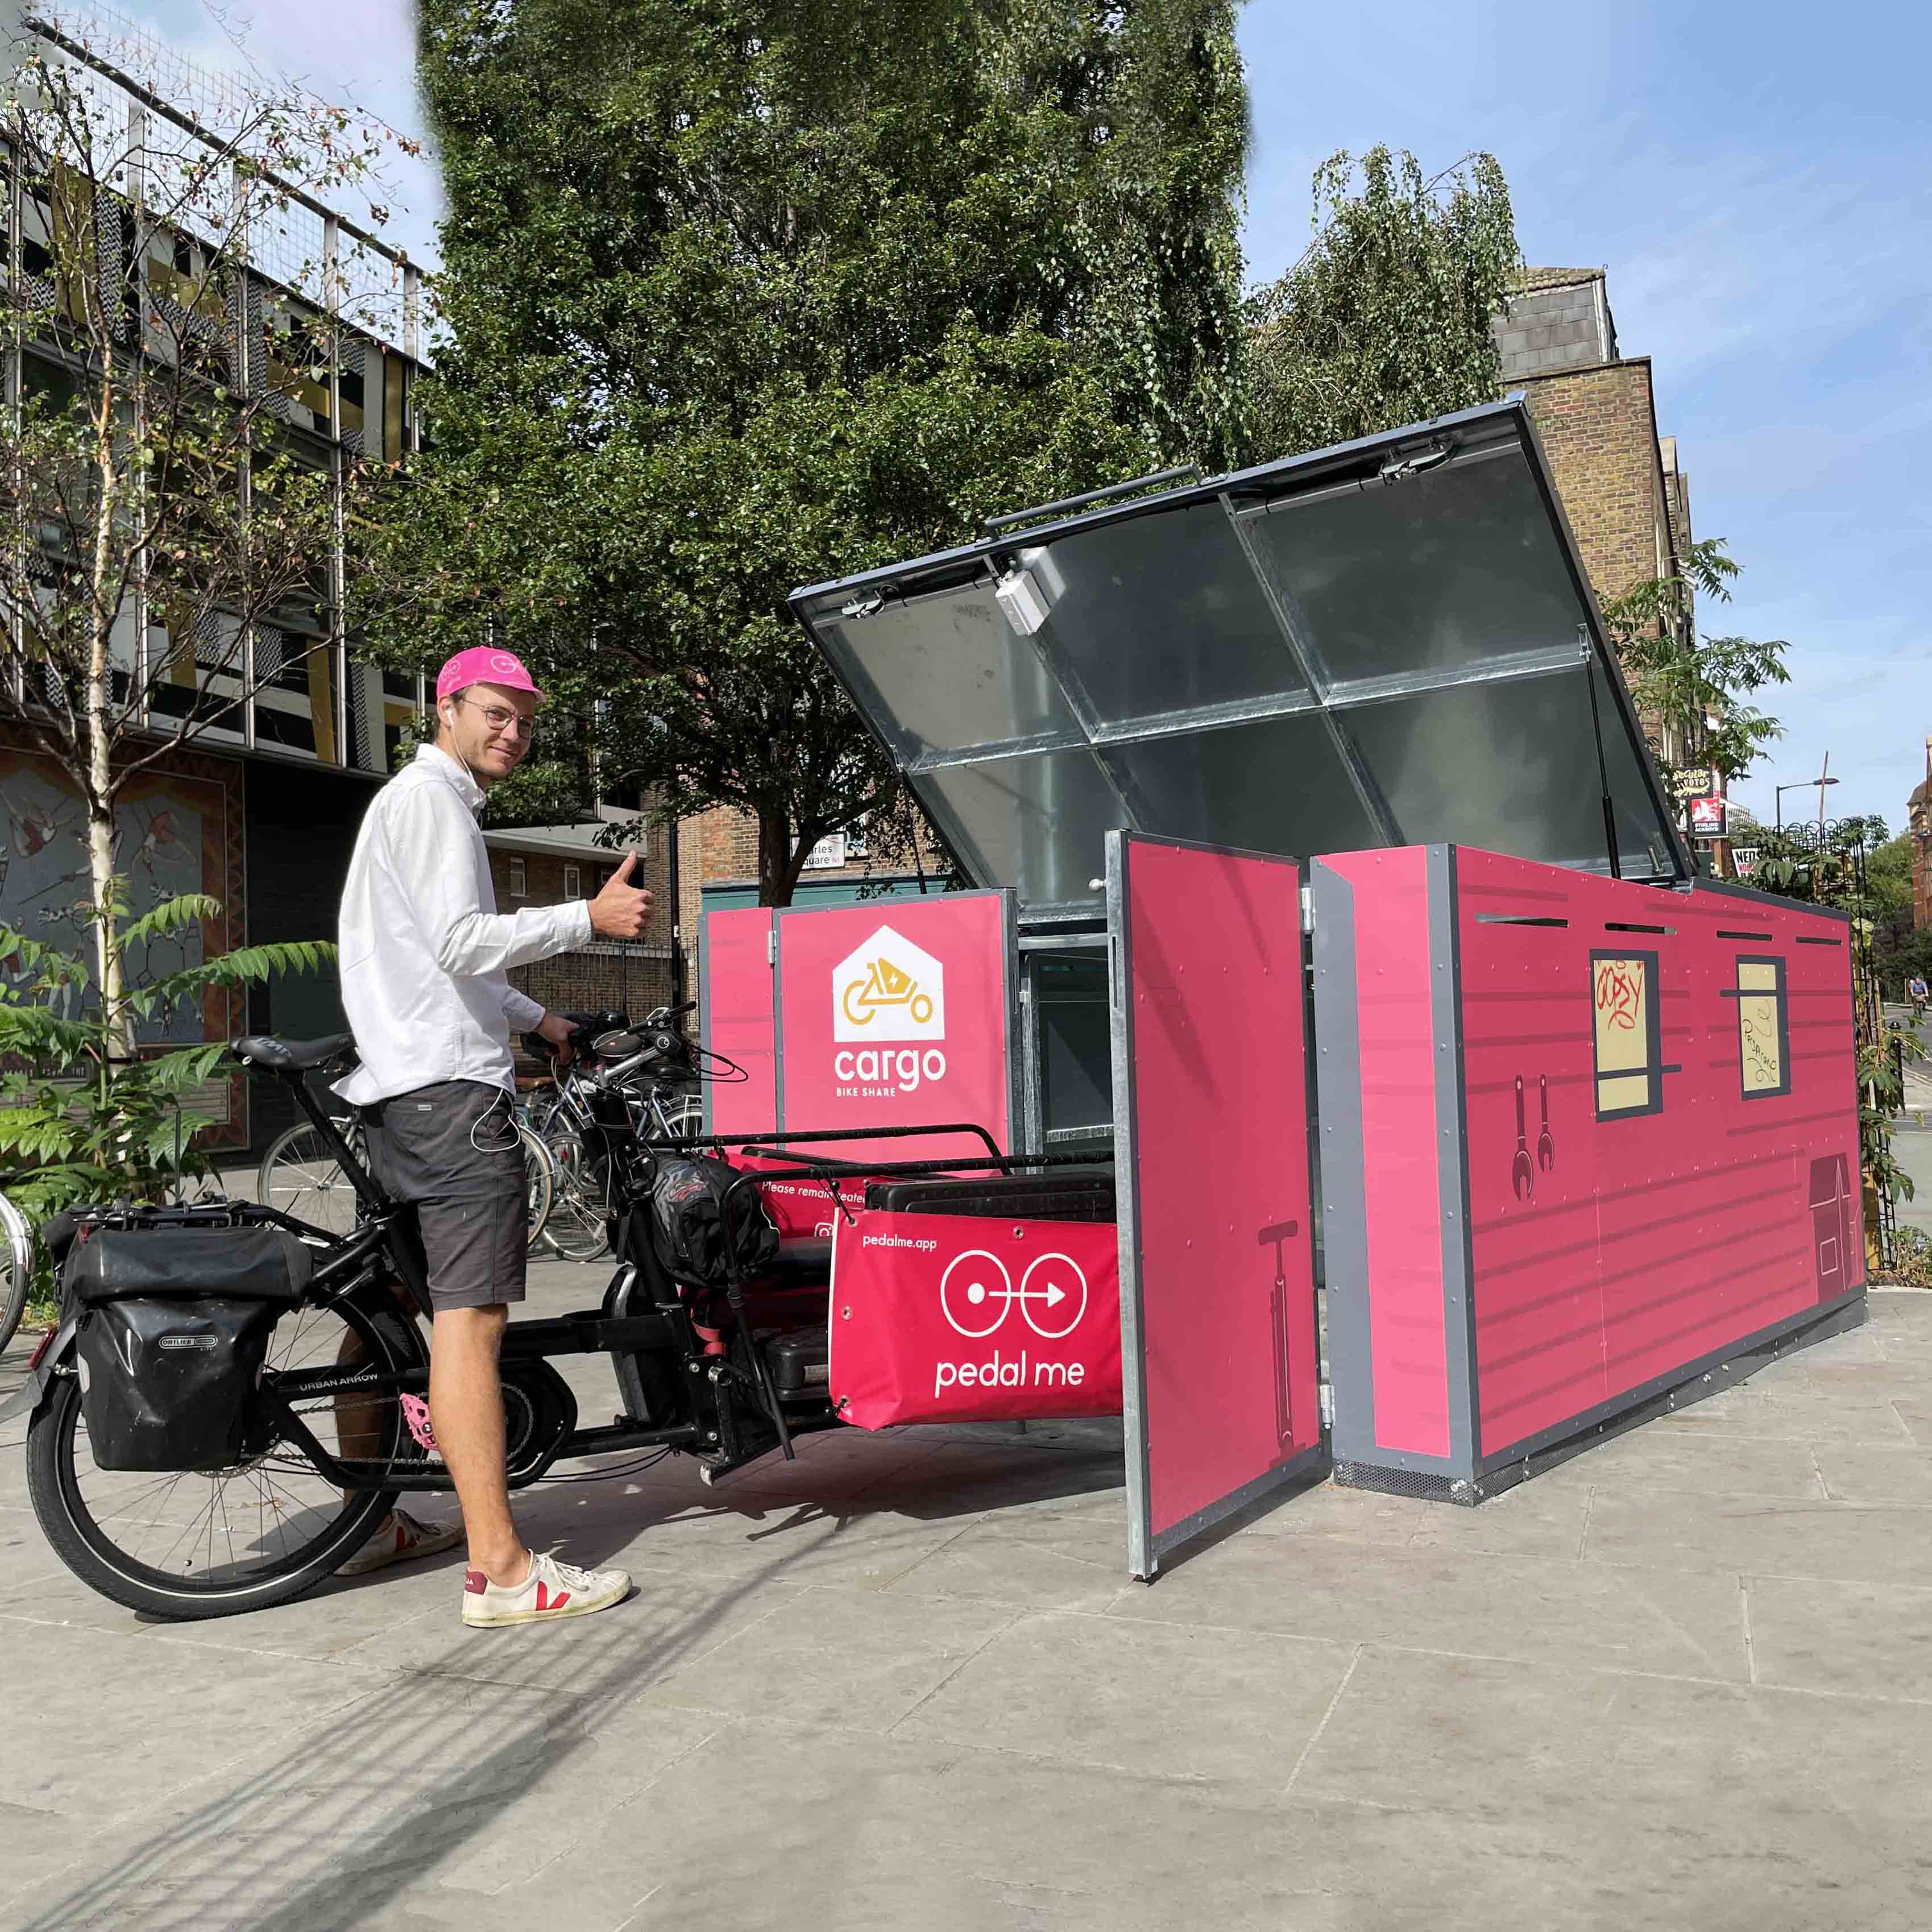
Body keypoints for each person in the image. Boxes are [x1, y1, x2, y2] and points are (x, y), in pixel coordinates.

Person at [333, 646, 653, 1628]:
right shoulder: (431, 801)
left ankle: (370, 1519)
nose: (511, 730)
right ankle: (503, 1569)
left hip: (398, 1093)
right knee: (471, 1324)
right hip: (449, 1102)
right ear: (447, 709)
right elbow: (460, 940)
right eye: (494, 713)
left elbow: (456, 963)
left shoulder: (425, 806)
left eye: (523, 717)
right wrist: (585, 917)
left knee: (379, 1309)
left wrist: (541, 1022)